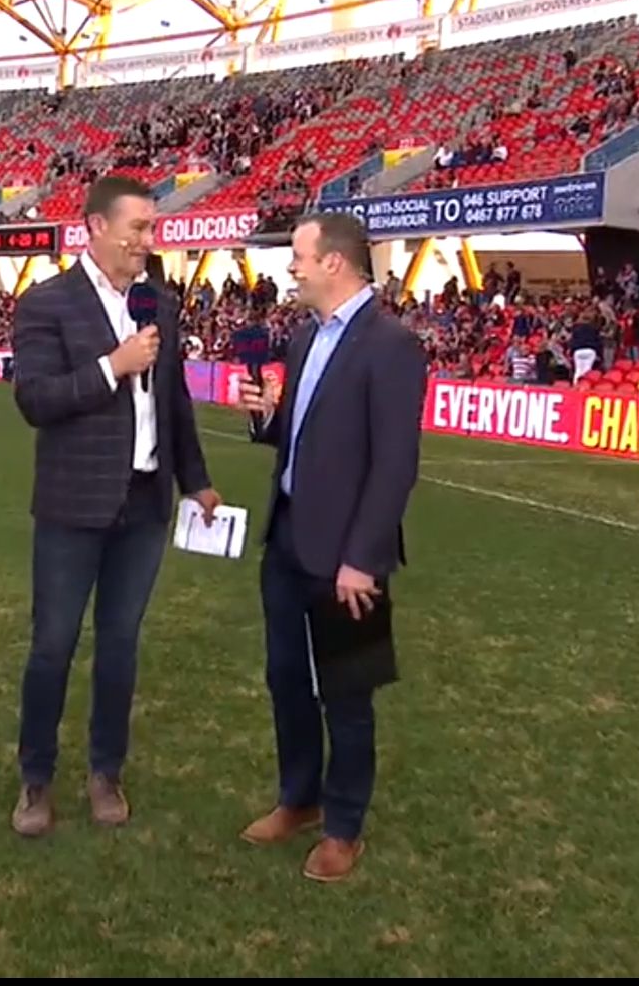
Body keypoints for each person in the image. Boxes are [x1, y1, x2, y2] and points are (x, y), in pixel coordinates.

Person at [9, 174, 221, 837]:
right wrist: (113, 365)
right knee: (53, 645)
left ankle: (106, 771)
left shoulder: (159, 302)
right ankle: (36, 778)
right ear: (96, 227)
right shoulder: (46, 303)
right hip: (72, 505)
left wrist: (196, 480)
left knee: (120, 645)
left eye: (151, 229)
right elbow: (35, 399)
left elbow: (174, 399)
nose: (147, 241)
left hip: (144, 505)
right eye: (138, 228)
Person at [235, 211, 427, 883]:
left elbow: (395, 463)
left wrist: (362, 558)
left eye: (299, 257)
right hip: (288, 538)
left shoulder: (391, 344)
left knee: (346, 693)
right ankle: (300, 798)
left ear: (334, 263)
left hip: (348, 554)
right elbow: (300, 433)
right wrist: (266, 417)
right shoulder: (304, 337)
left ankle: (344, 827)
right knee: (286, 680)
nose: (291, 268)